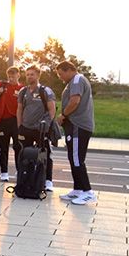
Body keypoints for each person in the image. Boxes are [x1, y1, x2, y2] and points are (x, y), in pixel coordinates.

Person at [56, 61, 96, 205]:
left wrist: (63, 116)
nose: (61, 77)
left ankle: (88, 192)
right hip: (75, 126)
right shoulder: (75, 80)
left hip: (78, 125)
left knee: (77, 158)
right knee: (73, 158)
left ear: (69, 70)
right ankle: (78, 189)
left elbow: (74, 101)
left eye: (61, 74)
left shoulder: (77, 80)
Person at [16, 66, 56, 192]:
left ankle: (48, 180)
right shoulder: (23, 91)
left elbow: (52, 110)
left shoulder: (45, 91)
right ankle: (23, 178)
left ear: (38, 75)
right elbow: (19, 109)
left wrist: (46, 126)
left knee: (45, 154)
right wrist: (20, 126)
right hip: (26, 128)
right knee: (23, 154)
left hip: (41, 129)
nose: (29, 77)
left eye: (32, 74)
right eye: (27, 74)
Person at [0, 66, 22, 181]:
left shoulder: (22, 89)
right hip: (1, 121)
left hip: (16, 122)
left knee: (18, 147)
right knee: (3, 148)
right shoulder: (1, 85)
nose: (11, 78)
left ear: (18, 75)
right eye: (9, 76)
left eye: (13, 76)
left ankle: (19, 170)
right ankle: (4, 172)